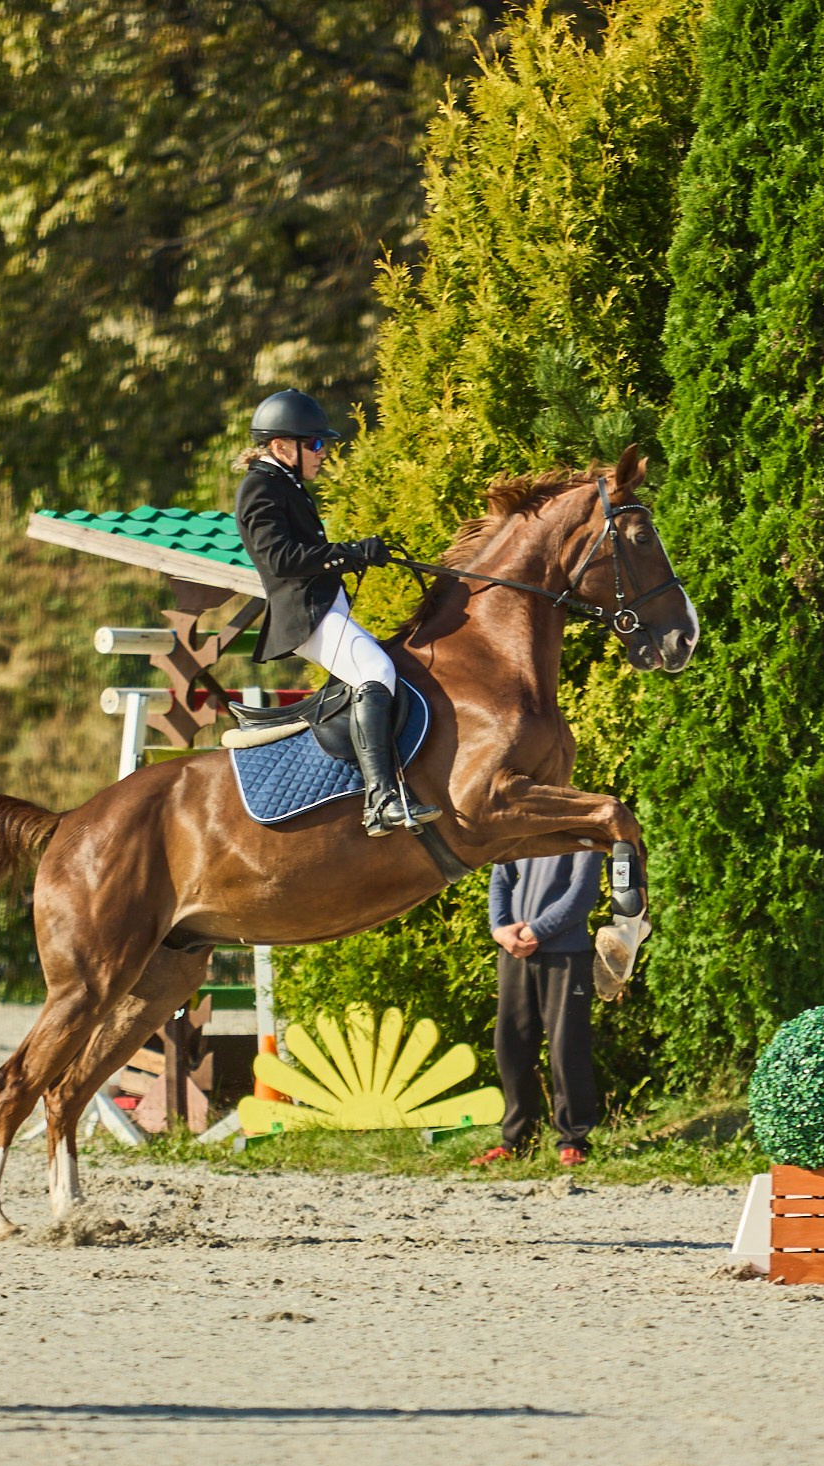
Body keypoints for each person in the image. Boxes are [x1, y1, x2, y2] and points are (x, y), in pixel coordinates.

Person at [232, 388, 439, 837]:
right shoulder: (259, 487)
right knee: (375, 671)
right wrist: (343, 554)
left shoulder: (285, 484)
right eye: (317, 444)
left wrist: (354, 555)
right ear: (283, 447)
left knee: (391, 667)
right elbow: (281, 560)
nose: (324, 453)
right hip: (306, 616)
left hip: (325, 608)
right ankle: (380, 800)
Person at [477, 849, 603, 1167]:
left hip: (565, 953)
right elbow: (500, 881)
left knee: (566, 1046)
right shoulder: (520, 829)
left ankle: (573, 1140)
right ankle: (518, 1140)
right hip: (514, 950)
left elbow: (583, 893)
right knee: (511, 1045)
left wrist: (535, 931)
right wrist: (499, 930)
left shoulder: (581, 829)